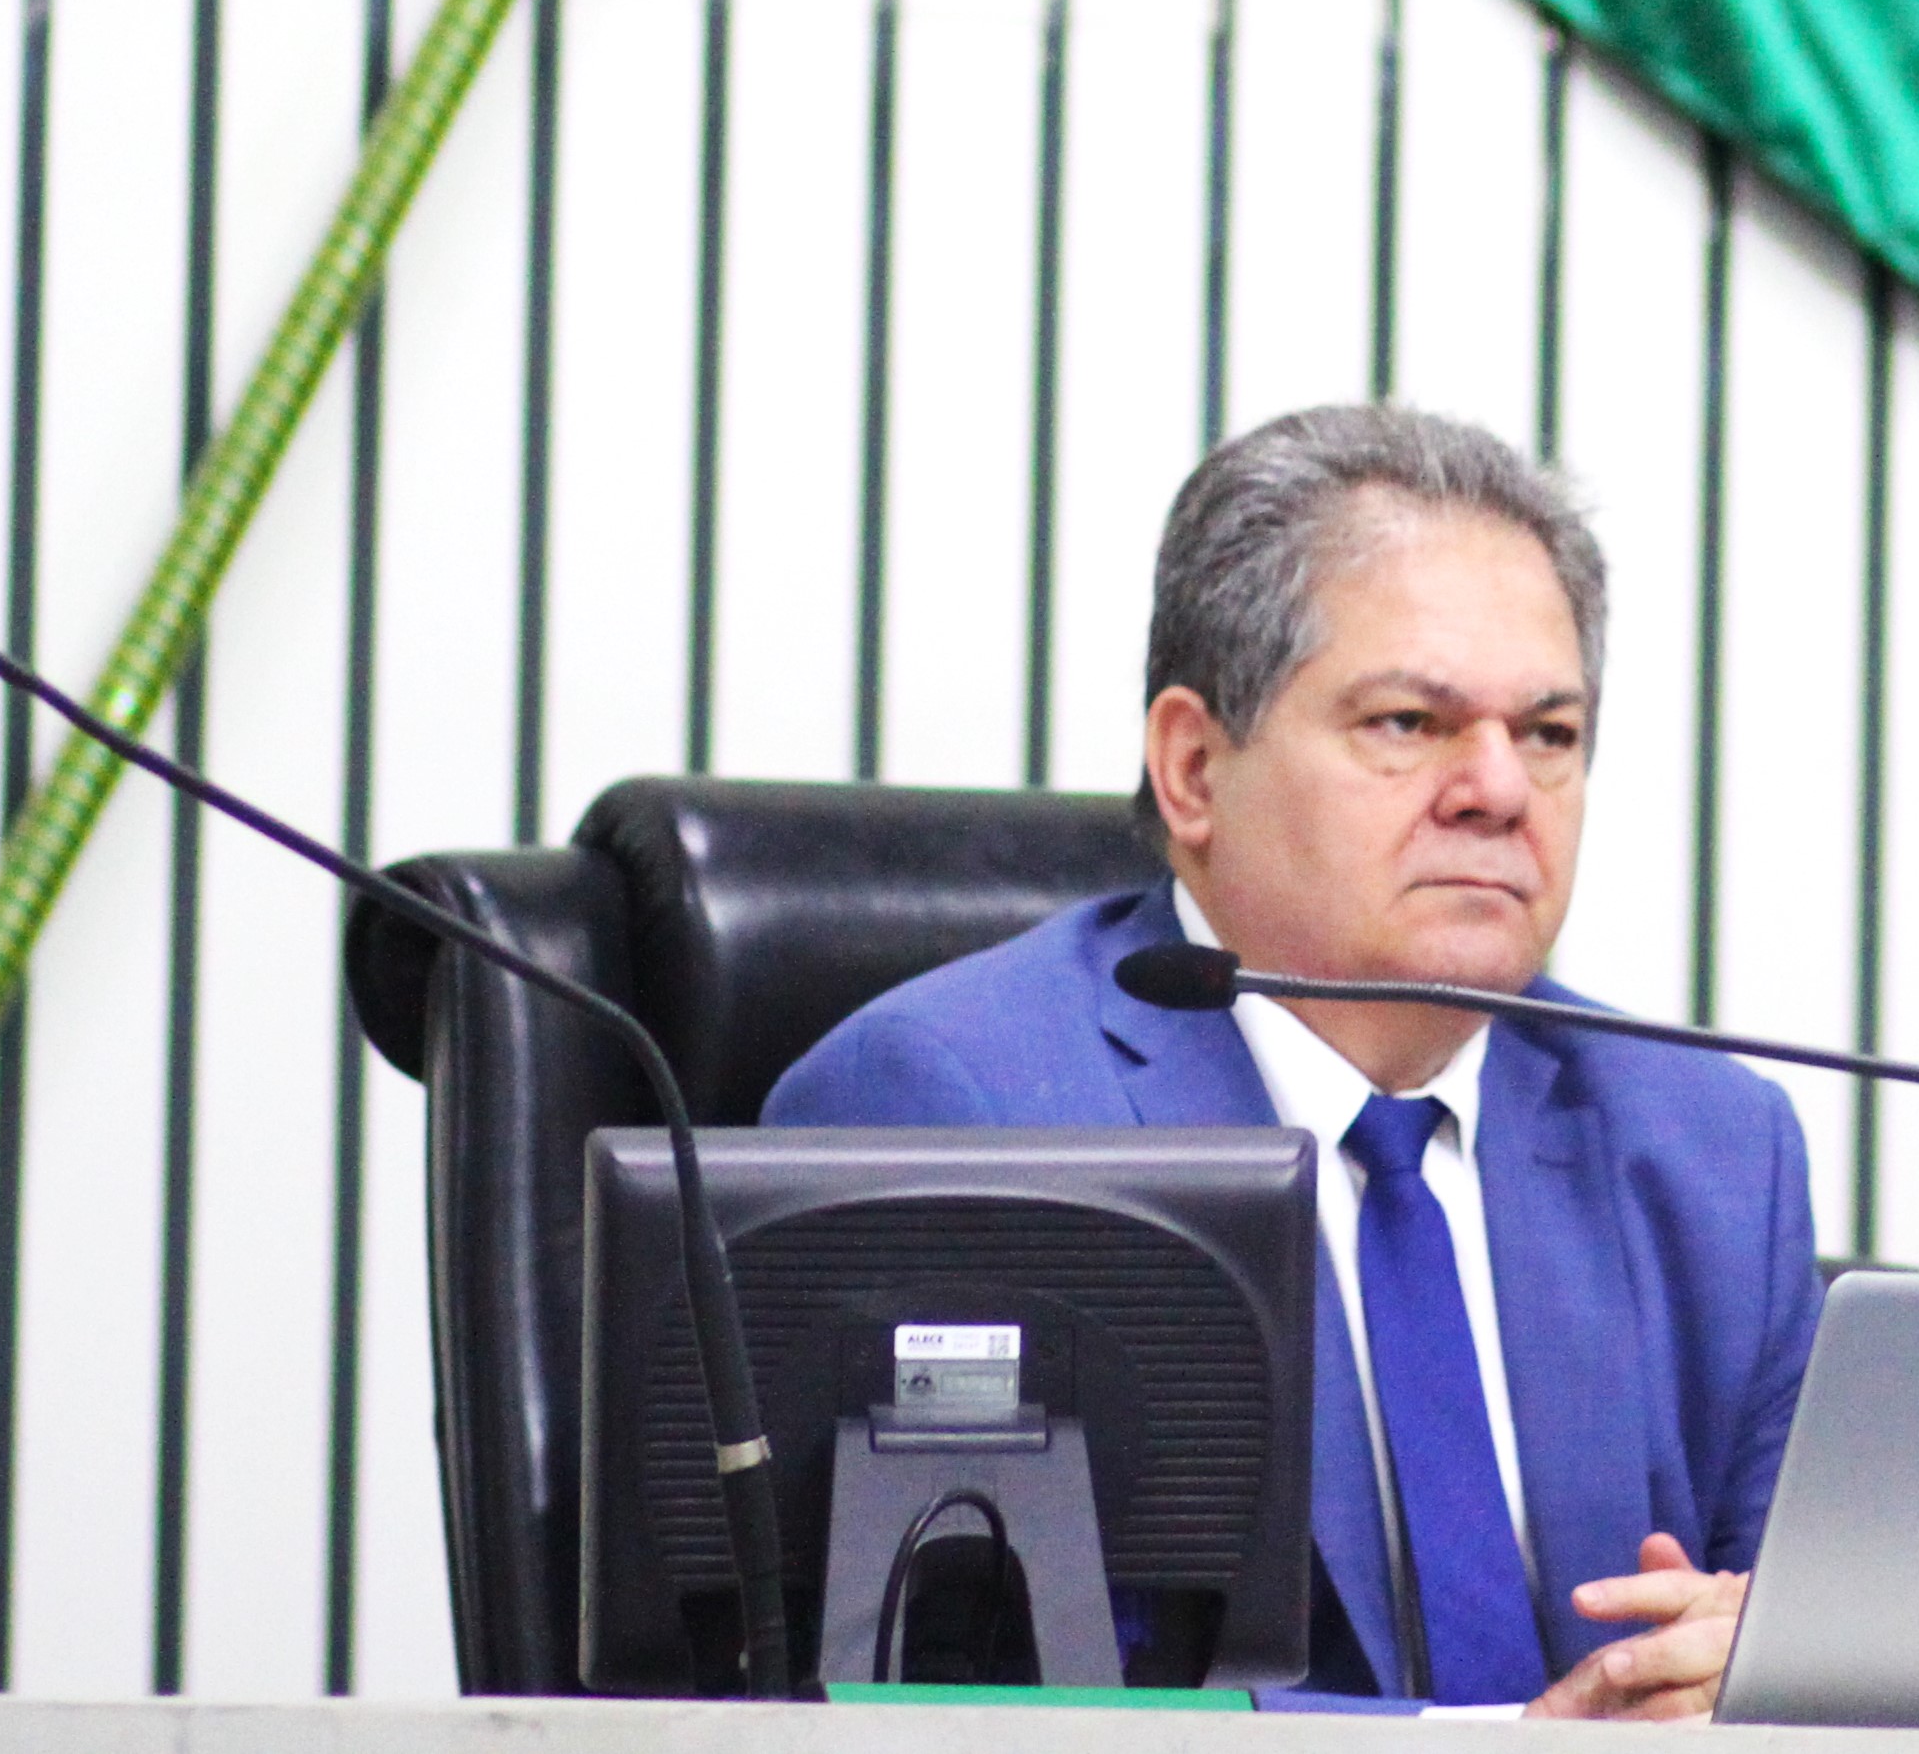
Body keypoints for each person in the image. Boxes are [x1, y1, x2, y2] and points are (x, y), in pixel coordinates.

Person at [769, 404, 1814, 1718]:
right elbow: (948, 1705)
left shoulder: (1713, 1149)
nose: (1499, 787)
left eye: (1549, 732)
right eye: (1408, 722)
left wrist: (1759, 1674)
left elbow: (1808, 1654)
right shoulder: (962, 1108)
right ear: (1194, 768)